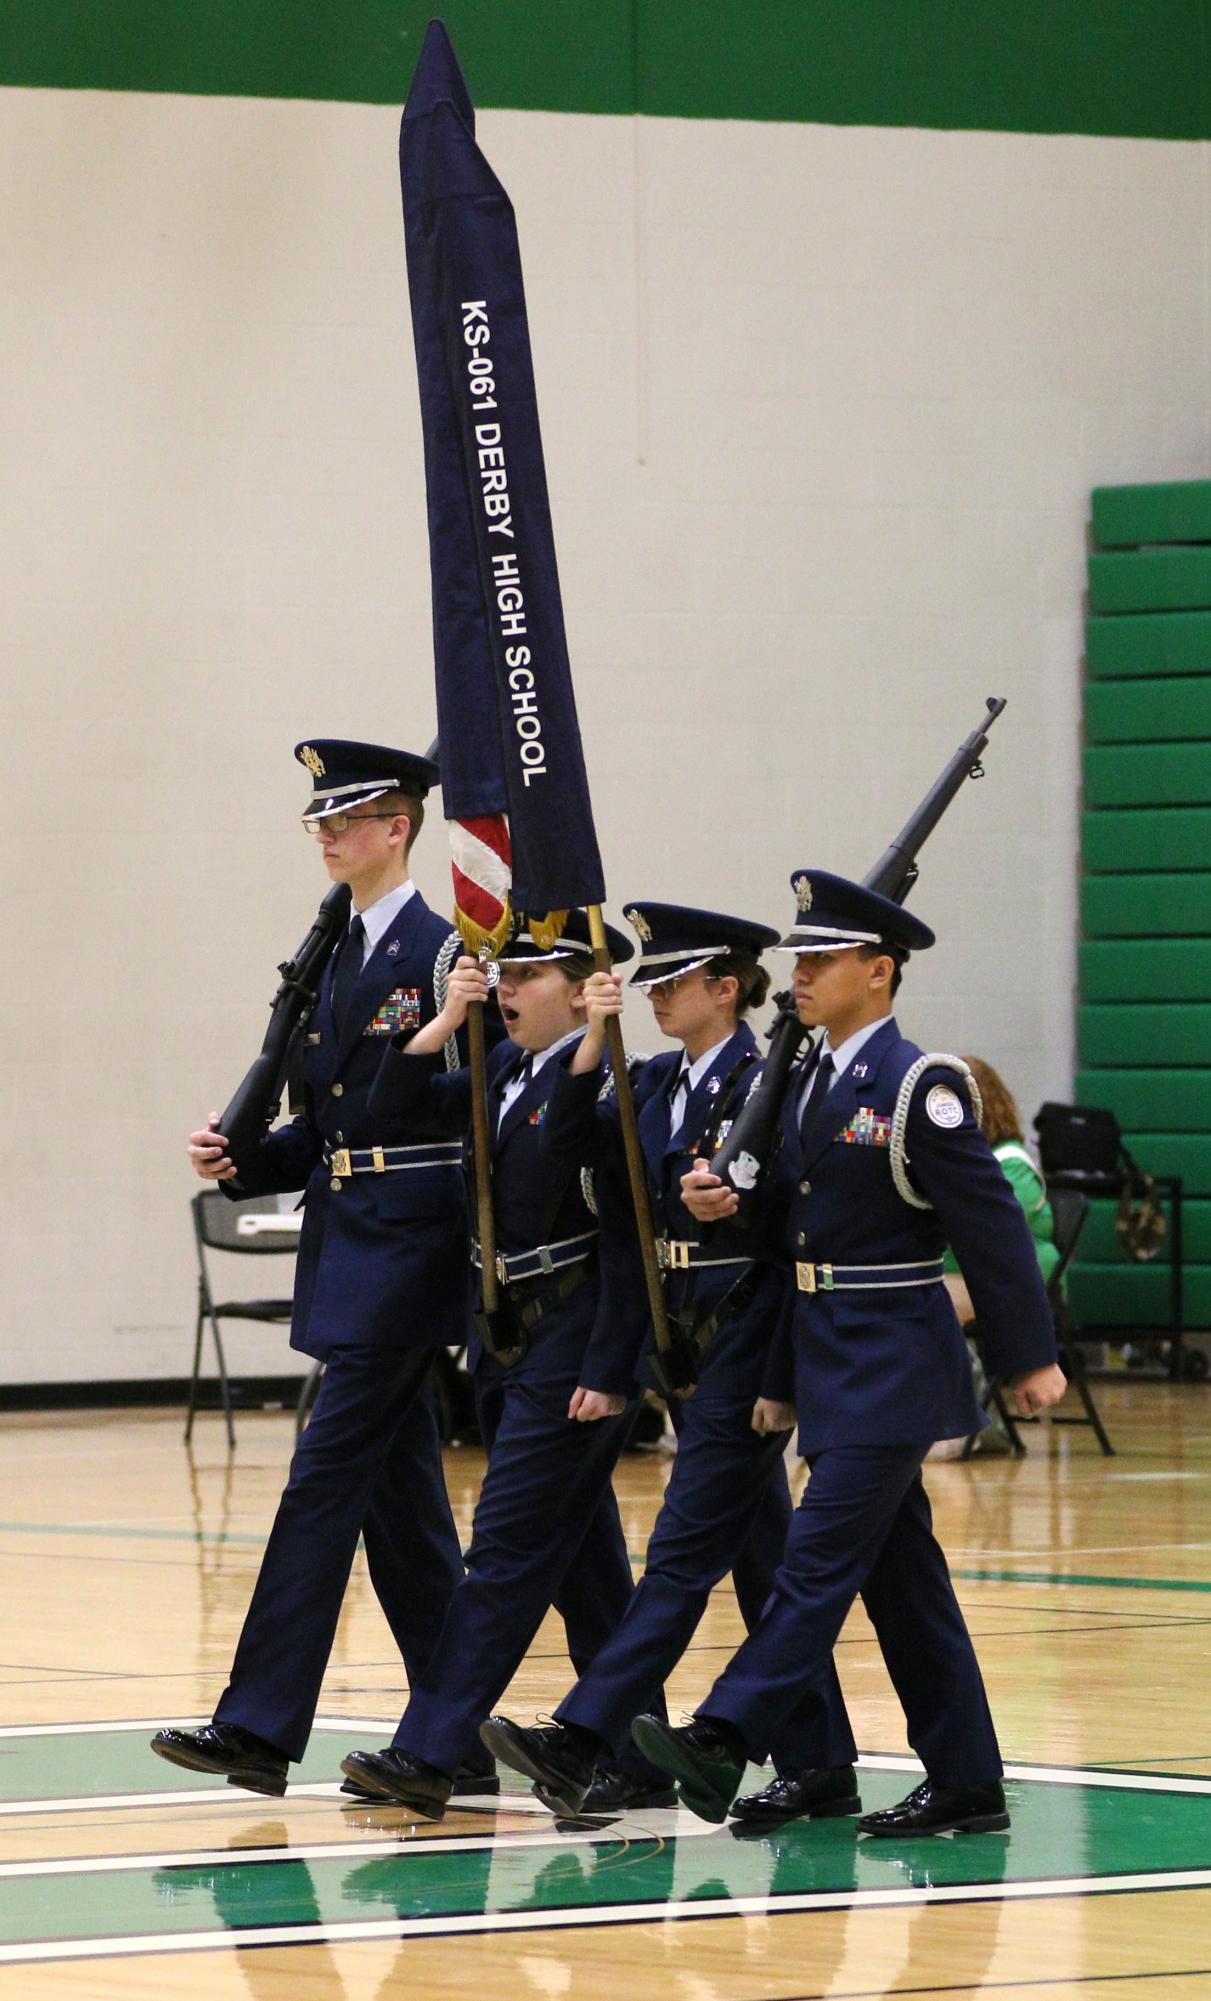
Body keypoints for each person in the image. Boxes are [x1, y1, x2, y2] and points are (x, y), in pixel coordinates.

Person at [622, 870, 1066, 1835]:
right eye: (799, 959)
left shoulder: (921, 1086)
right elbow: (796, 1246)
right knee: (904, 1584)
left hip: (897, 1360)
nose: (802, 975)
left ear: (878, 971)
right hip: (828, 1359)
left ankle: (724, 1731)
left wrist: (1030, 1355)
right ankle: (965, 1778)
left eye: (820, 959)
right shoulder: (809, 1080)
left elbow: (988, 1230)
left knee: (814, 1560)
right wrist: (732, 1214)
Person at [152, 738, 494, 1800]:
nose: (327, 835)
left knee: (321, 1479)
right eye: (320, 821)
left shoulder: (444, 960)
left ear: (397, 829)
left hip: (412, 1249)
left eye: (347, 820)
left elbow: (468, 1108)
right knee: (399, 1511)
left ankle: (256, 1726)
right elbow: (330, 1123)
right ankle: (455, 1741)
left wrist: (422, 1048)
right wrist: (244, 1159)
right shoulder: (334, 957)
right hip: (349, 1243)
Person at [482, 903, 859, 1827]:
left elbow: (781, 1228)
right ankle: (818, 1760)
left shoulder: (766, 1075)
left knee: (684, 1548)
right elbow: (569, 1142)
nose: (653, 993)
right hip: (677, 1330)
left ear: (724, 989)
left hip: (747, 1326)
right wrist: (595, 1032)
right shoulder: (652, 1081)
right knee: (763, 1556)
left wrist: (775, 1369)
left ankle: (588, 1731)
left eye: (670, 980)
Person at [339, 911, 673, 1821]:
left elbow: (593, 1195)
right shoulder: (502, 1072)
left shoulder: (605, 1085)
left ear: (580, 985)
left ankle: (431, 1748)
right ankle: (638, 1749)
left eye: (525, 975)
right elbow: (389, 1102)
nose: (506, 989)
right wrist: (448, 1020)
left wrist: (599, 1033)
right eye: (501, 974)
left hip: (570, 1343)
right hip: (507, 1339)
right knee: (583, 1560)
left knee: (506, 1550)